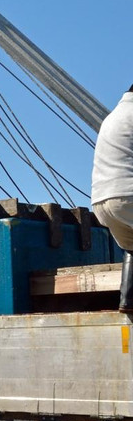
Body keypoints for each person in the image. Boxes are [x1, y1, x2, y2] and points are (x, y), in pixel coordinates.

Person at [92, 84, 133, 313]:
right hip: (128, 195)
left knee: (132, 245)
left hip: (102, 201)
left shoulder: (114, 116)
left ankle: (127, 301)